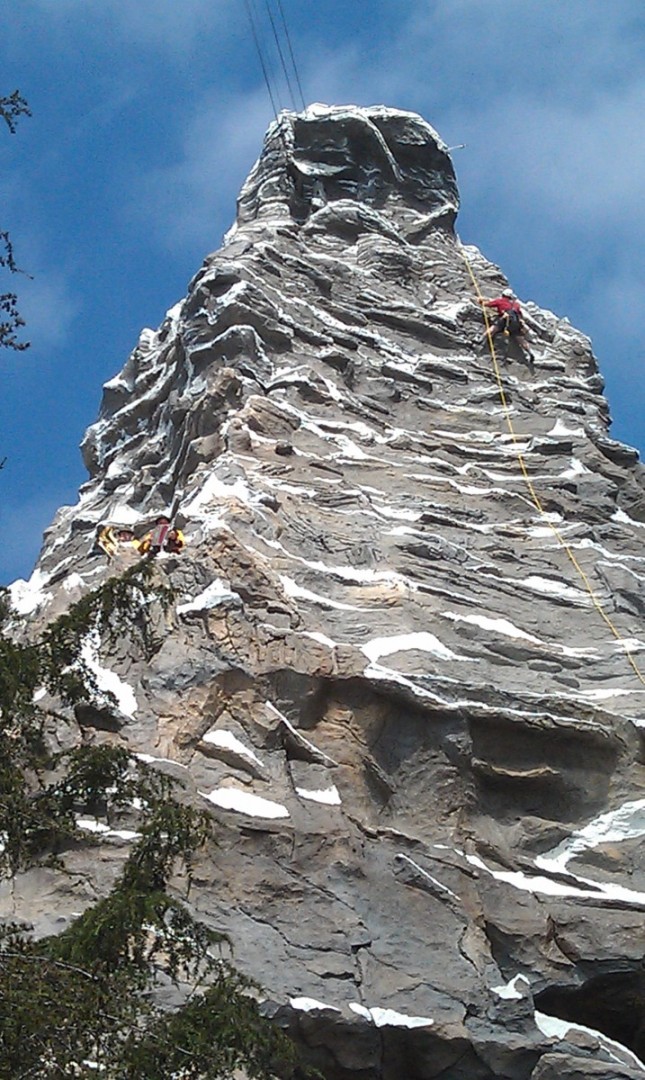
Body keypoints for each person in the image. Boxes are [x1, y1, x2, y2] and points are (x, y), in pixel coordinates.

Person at [479, 288, 534, 363]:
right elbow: (520, 315)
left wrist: (480, 301)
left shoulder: (500, 301)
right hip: (515, 323)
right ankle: (529, 351)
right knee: (520, 339)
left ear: (503, 295)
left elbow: (488, 304)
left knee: (493, 328)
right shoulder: (516, 304)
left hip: (506, 319)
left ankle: (480, 339)